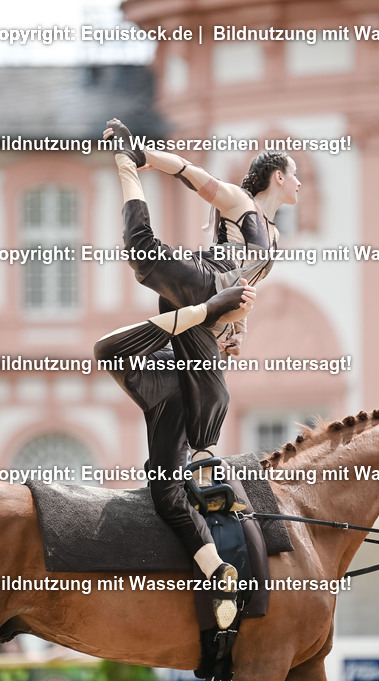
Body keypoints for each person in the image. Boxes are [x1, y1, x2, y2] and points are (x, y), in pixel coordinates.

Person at [96, 119, 298, 634]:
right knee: (143, 253)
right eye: (294, 175)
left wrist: (234, 327)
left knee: (169, 481)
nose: (299, 184)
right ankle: (123, 163)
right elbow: (194, 175)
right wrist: (143, 156)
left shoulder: (273, 238)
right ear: (277, 177)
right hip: (206, 283)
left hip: (205, 313)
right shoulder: (241, 204)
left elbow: (245, 293)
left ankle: (215, 559)